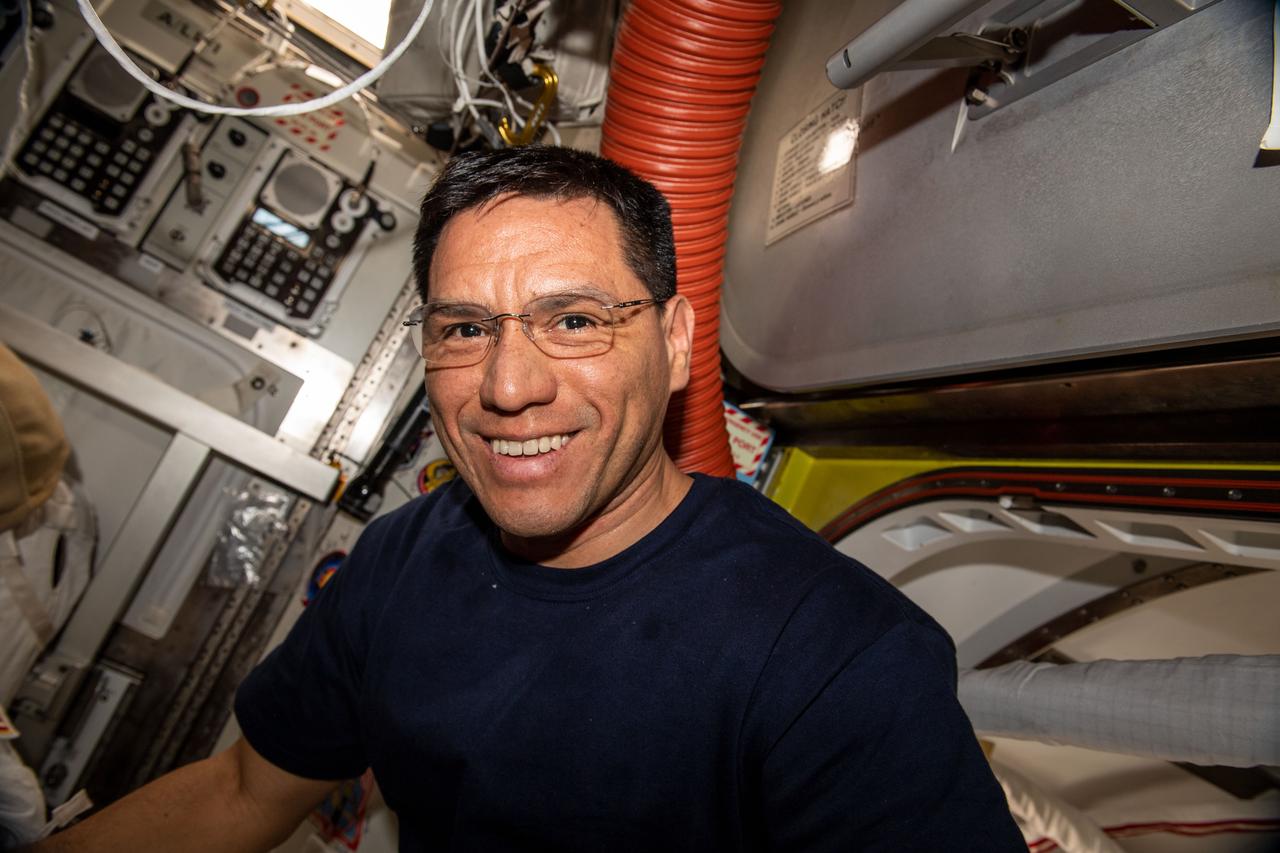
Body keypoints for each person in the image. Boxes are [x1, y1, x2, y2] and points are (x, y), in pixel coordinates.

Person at [31, 146, 1025, 851]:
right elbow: (243, 789)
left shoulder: (835, 659)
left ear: (676, 342)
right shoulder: (395, 564)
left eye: (574, 319)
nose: (508, 386)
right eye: (463, 330)